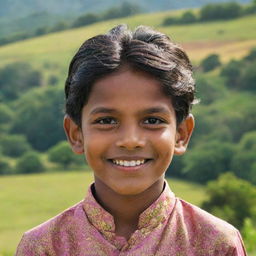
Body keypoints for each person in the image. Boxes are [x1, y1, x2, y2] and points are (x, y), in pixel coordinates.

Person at [16, 24, 247, 256]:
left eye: (152, 120)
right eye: (106, 121)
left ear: (181, 134)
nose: (130, 140)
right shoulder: (44, 247)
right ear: (76, 134)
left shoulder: (216, 243)